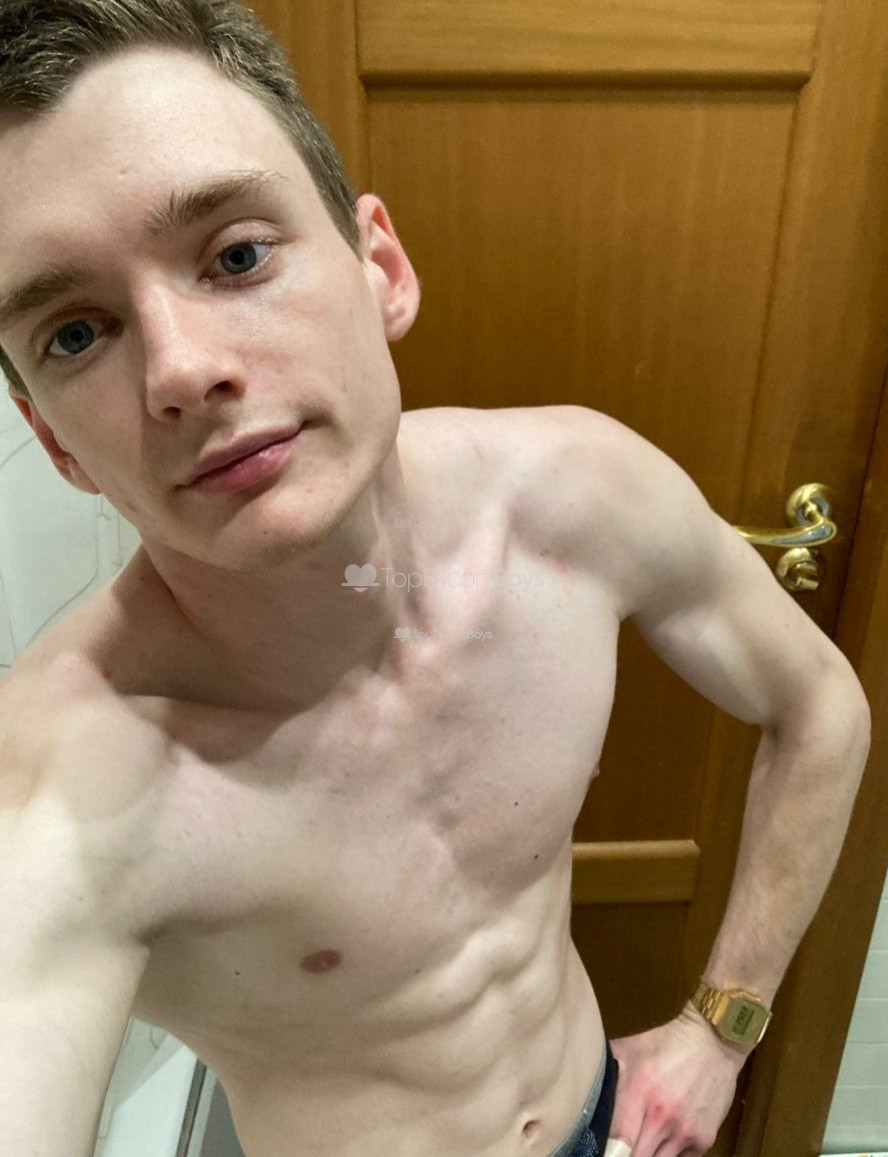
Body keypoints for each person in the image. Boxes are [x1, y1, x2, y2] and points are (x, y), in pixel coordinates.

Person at [0, 4, 871, 1157]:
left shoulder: (577, 495)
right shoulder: (63, 788)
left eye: (237, 255)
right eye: (74, 333)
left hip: (602, 1116)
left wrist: (721, 1030)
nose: (182, 369)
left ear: (383, 270)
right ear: (55, 444)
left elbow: (822, 706)